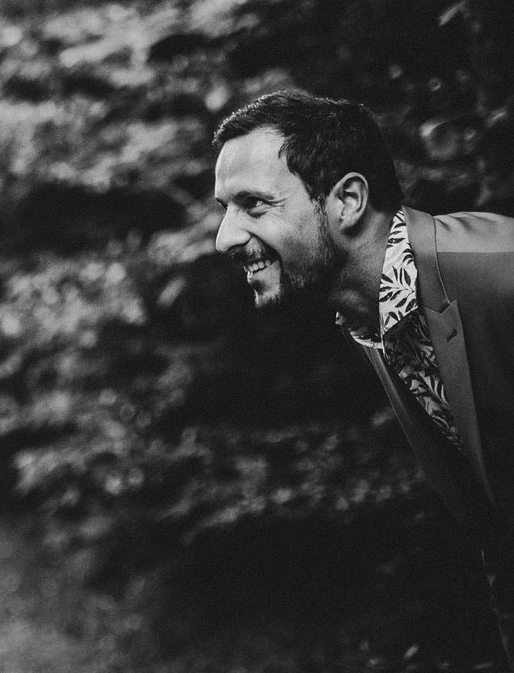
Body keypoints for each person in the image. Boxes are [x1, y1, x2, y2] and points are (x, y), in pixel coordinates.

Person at [213, 87, 514, 663]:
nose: (224, 237)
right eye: (224, 210)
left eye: (254, 205)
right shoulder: (375, 319)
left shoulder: (500, 276)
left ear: (347, 201)